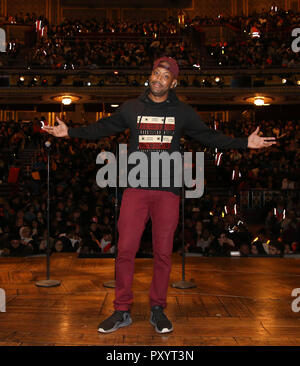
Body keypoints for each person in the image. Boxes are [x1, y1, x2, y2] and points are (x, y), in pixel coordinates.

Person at [42, 56, 276, 334]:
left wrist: (243, 143)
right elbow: (101, 127)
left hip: (167, 191)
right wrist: (70, 131)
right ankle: (121, 309)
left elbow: (206, 136)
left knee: (163, 253)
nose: (158, 78)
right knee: (125, 250)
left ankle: (157, 309)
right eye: (155, 73)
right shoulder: (131, 108)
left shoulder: (183, 112)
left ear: (173, 82)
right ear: (149, 76)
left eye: (165, 76)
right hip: (135, 188)